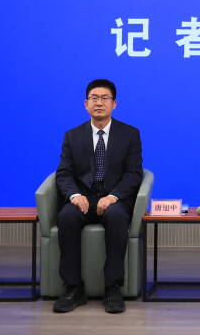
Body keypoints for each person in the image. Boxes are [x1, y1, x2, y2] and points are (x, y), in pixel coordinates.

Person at [53, 78, 143, 315]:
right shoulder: (72, 136)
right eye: (94, 98)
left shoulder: (130, 134)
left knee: (116, 217)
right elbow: (64, 173)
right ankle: (73, 288)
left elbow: (134, 173)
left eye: (105, 98)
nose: (99, 103)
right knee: (67, 217)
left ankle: (113, 288)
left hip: (113, 200)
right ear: (86, 104)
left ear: (114, 104)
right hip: (83, 199)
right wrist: (74, 195)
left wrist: (113, 196)